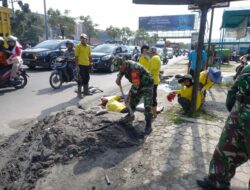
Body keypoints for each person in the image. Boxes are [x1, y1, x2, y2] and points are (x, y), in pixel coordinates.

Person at [196, 65, 250, 190]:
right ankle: (216, 182)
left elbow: (230, 95)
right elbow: (232, 92)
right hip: (238, 117)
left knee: (227, 148)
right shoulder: (247, 68)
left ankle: (217, 181)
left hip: (239, 115)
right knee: (225, 150)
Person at [115, 60, 154, 134]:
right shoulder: (123, 66)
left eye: (121, 67)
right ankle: (130, 114)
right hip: (138, 83)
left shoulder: (134, 68)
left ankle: (149, 125)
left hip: (147, 84)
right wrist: (119, 77)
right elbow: (121, 71)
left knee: (147, 105)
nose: (120, 69)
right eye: (118, 68)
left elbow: (135, 86)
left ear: (124, 64)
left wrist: (127, 97)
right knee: (133, 100)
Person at [75, 33, 92, 98]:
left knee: (87, 78)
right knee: (80, 79)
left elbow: (90, 56)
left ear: (86, 40)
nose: (83, 40)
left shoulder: (88, 47)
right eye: (81, 39)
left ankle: (86, 91)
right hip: (80, 65)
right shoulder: (78, 46)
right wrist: (77, 66)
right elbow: (76, 57)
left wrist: (90, 64)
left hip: (87, 65)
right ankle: (79, 93)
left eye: (84, 39)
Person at [148, 47, 161, 118]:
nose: (149, 55)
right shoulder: (156, 58)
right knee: (152, 96)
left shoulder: (154, 58)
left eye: (150, 53)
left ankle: (154, 114)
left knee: (152, 97)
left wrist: (146, 75)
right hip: (154, 80)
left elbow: (152, 70)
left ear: (152, 52)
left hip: (152, 80)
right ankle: (153, 113)